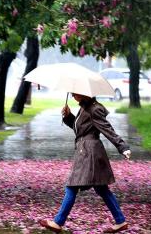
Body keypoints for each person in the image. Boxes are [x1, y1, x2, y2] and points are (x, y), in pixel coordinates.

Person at [39, 93, 131, 233]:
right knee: (101, 188)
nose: (73, 95)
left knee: (72, 186)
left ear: (84, 93)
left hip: (89, 154)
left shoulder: (95, 109)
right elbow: (80, 130)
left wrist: (122, 147)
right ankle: (120, 220)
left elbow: (107, 129)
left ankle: (58, 222)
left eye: (75, 93)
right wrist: (68, 116)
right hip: (86, 151)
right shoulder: (85, 107)